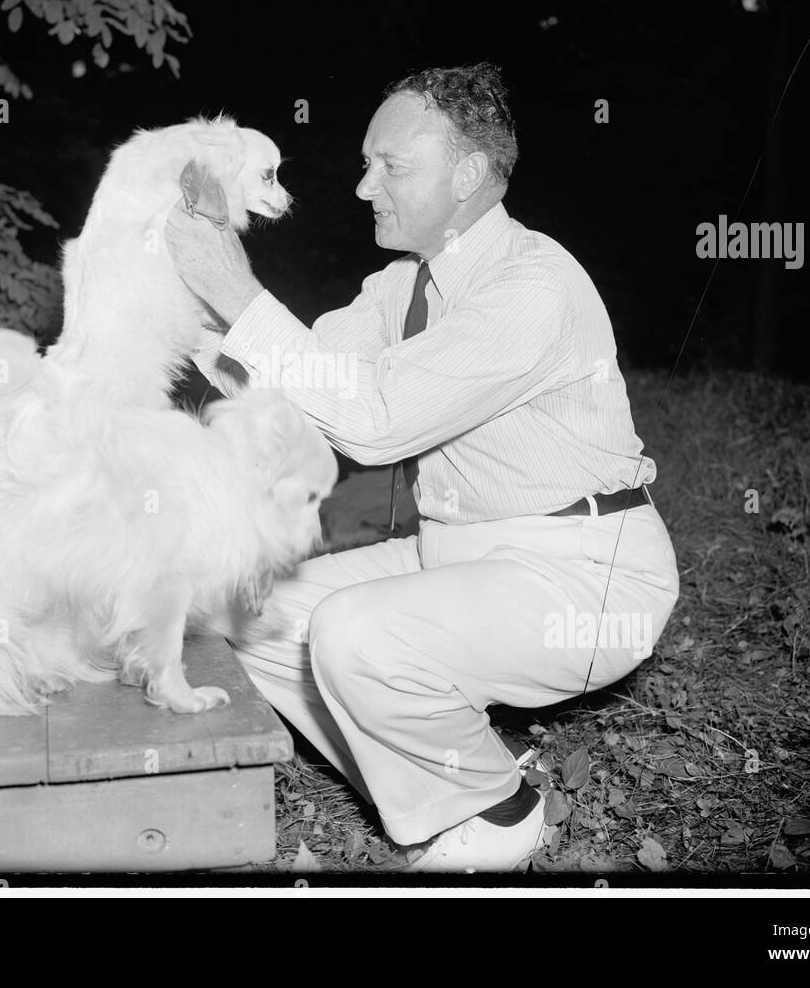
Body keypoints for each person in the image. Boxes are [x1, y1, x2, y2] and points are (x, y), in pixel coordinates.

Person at [164, 62, 680, 872]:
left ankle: (501, 811)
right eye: (367, 163)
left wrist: (234, 288)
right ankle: (420, 778)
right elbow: (303, 387)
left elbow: (373, 422)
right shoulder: (404, 282)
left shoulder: (533, 285)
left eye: (390, 165)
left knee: (353, 632)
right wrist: (185, 301)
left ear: (469, 174)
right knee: (244, 608)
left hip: (584, 575)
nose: (365, 186)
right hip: (457, 549)